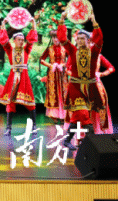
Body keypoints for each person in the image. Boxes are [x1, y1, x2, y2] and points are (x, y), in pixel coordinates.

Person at [57, 13, 104, 149]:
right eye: (78, 39)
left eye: (82, 38)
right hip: (76, 88)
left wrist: (94, 22)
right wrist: (62, 20)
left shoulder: (93, 52)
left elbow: (99, 39)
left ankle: (67, 140)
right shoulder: (73, 51)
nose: (79, 41)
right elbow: (62, 38)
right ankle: (93, 143)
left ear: (88, 40)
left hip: (89, 88)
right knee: (83, 114)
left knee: (77, 116)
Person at [0, 16, 38, 136]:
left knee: (30, 103)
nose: (21, 41)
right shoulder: (10, 50)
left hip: (24, 78)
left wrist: (33, 24)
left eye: (22, 40)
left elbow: (31, 40)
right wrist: (3, 24)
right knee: (10, 103)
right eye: (19, 39)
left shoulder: (26, 50)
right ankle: (8, 128)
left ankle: (34, 126)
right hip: (13, 78)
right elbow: (4, 40)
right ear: (14, 40)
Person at [39, 29, 68, 122]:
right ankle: (54, 115)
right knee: (53, 92)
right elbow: (41, 60)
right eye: (54, 37)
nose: (55, 39)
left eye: (57, 37)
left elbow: (70, 59)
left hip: (62, 73)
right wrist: (51, 65)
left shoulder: (64, 48)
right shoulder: (50, 48)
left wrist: (63, 65)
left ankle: (63, 114)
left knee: (63, 92)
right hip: (52, 74)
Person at [91, 54, 114, 134]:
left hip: (96, 84)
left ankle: (99, 128)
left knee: (100, 105)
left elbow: (111, 68)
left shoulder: (99, 56)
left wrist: (101, 74)